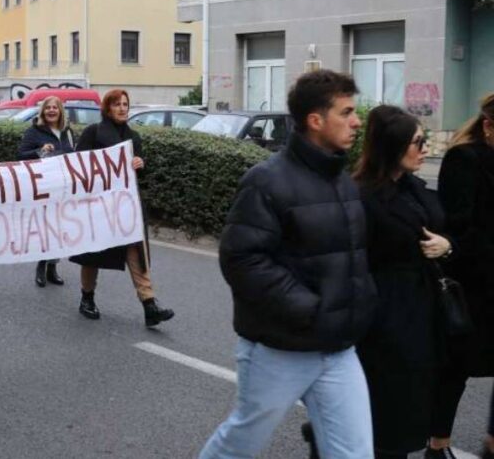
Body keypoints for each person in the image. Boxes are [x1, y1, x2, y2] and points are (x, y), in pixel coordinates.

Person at [199, 70, 376, 458]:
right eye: (346, 112)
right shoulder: (265, 180)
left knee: (356, 452)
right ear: (315, 120)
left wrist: (361, 301)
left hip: (338, 348)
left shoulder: (342, 179)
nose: (356, 121)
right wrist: (308, 308)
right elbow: (242, 258)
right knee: (242, 443)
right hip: (281, 347)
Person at [351, 106, 453, 458]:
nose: (425, 149)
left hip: (422, 308)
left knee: (414, 401)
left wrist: (446, 245)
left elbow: (443, 227)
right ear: (393, 146)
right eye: (418, 142)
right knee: (389, 411)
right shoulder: (362, 195)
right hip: (386, 315)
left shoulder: (414, 187)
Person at [69, 89, 174, 328]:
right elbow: (79, 165)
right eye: (117, 104)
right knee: (93, 254)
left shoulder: (134, 137)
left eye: (125, 104)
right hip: (99, 205)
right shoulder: (93, 132)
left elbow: (139, 176)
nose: (123, 108)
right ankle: (87, 298)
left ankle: (150, 306)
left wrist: (140, 164)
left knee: (136, 253)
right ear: (107, 108)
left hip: (127, 207)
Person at [431, 93, 494, 459]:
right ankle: (437, 445)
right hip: (472, 284)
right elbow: (458, 228)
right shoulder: (463, 160)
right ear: (488, 126)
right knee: (456, 368)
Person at [19, 96, 76, 287]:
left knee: (59, 230)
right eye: (48, 108)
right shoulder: (34, 132)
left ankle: (53, 268)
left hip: (63, 188)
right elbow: (20, 155)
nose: (51, 111)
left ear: (60, 111)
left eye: (55, 108)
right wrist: (39, 150)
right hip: (43, 188)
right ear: (43, 111)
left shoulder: (67, 132)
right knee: (46, 229)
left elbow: (73, 156)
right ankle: (41, 265)